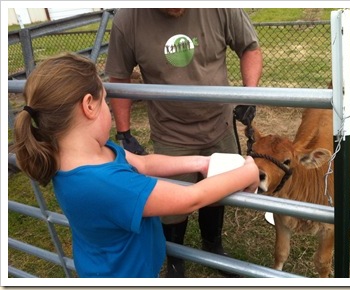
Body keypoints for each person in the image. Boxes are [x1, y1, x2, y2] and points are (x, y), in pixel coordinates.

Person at [11, 53, 259, 278]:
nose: (109, 108)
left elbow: (143, 162)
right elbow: (191, 197)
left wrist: (201, 162)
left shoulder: (91, 152)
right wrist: (248, 171)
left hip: (108, 265)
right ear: (88, 105)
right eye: (106, 101)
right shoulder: (106, 184)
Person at [105, 8, 263, 277]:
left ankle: (212, 245)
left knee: (218, 189)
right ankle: (175, 257)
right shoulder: (128, 19)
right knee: (172, 201)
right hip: (171, 131)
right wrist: (124, 132)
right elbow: (119, 76)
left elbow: (249, 47)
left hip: (219, 123)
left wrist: (249, 94)